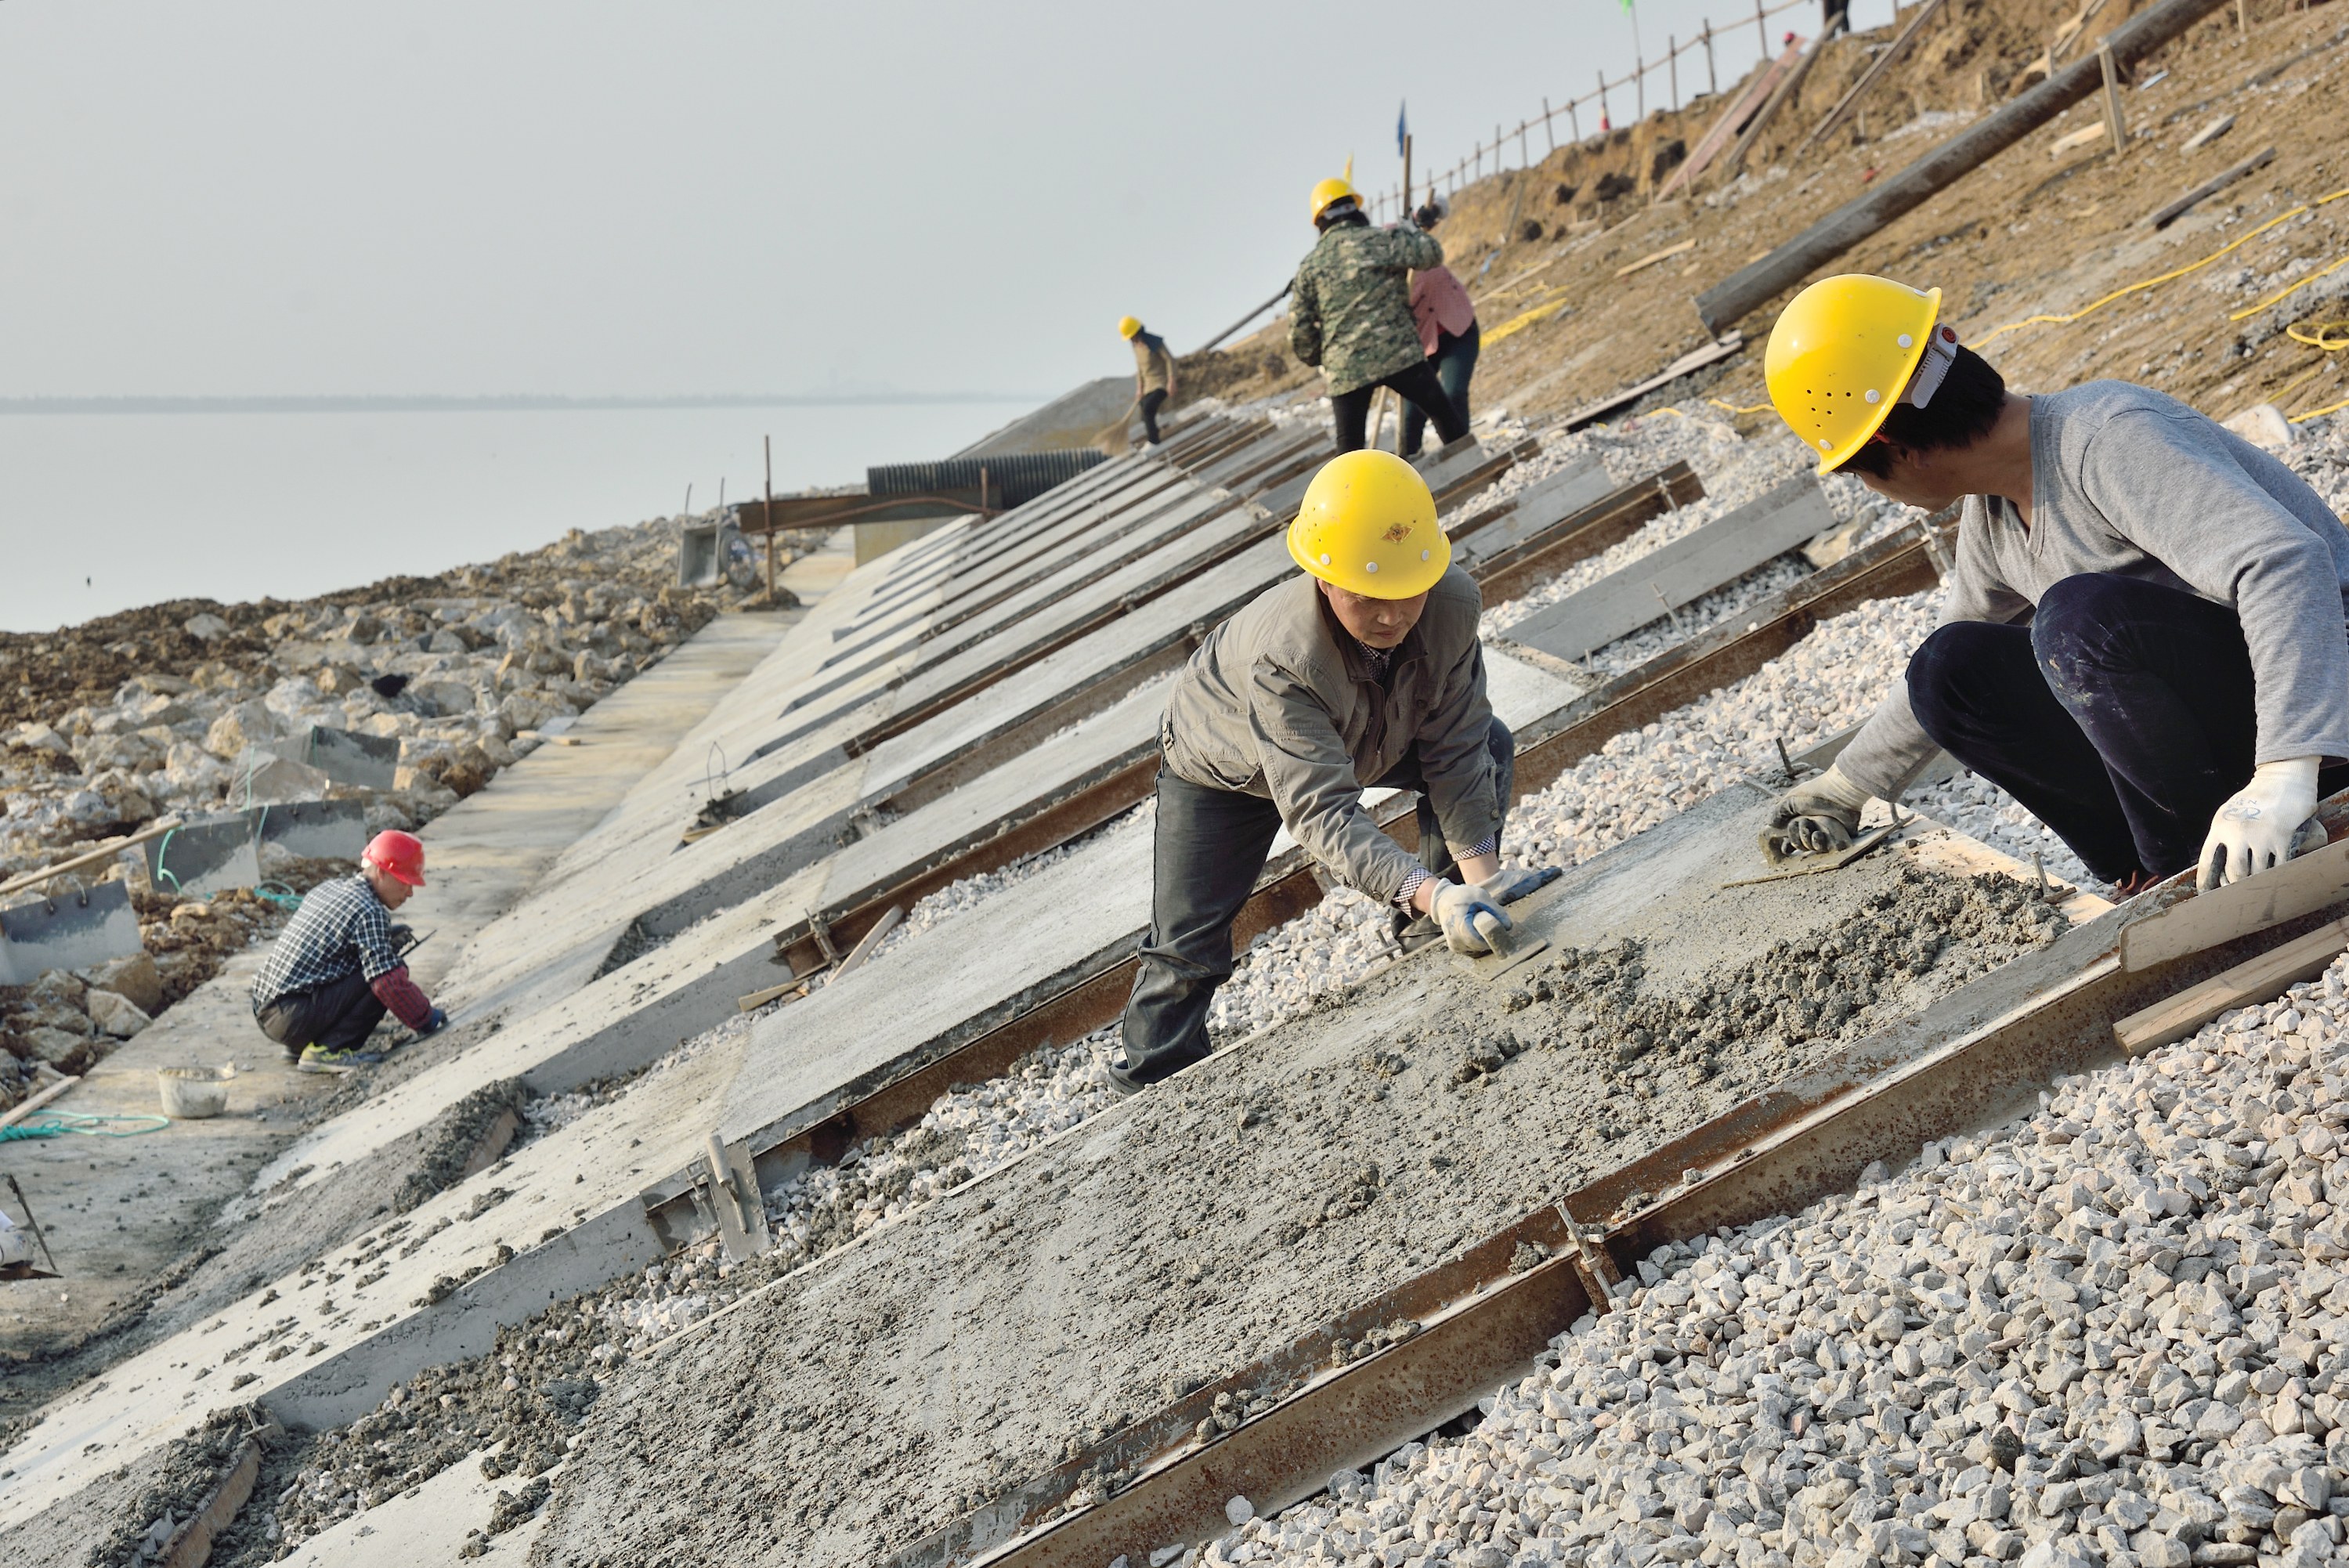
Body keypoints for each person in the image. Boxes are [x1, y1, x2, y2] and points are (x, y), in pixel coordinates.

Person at [1762, 273, 2349, 894]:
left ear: (1895, 448)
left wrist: (2283, 775)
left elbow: (2281, 563)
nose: (1870, 489)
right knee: (1948, 665)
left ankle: (2201, 857)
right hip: (2249, 736)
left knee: (2078, 620)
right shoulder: (1992, 514)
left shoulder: (2105, 438)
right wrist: (1845, 786)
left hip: (2320, 711)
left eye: (1859, 471)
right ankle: (2153, 869)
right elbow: (1948, 659)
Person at [1111, 450, 1543, 1096]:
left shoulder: (1451, 605)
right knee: (1187, 947)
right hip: (1227, 768)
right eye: (1368, 599)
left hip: (1364, 729)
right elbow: (1321, 811)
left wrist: (1482, 883)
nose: (1392, 616)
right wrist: (1423, 884)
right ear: (1322, 578)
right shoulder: (1282, 656)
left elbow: (1455, 747)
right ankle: (1149, 1085)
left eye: (1406, 593)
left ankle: (1442, 929)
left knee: (1491, 744)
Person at [1289, 177, 1472, 456]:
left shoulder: (1309, 268)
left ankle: (1354, 499)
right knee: (1444, 416)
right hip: (1398, 353)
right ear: (1356, 210)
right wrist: (1411, 232)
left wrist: (1322, 356)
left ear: (1319, 223)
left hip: (1346, 368)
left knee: (1349, 451)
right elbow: (1431, 254)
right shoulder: (1381, 240)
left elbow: (1300, 333)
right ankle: (1475, 470)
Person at [251, 829, 447, 1071]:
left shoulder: (330, 888)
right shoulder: (370, 910)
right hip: (292, 1018)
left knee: (376, 965)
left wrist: (386, 939)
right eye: (405, 883)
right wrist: (427, 1019)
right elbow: (387, 983)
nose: (410, 893)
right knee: (388, 973)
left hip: (269, 1011)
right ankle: (329, 1050)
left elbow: (329, 952)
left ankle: (301, 1045)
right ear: (382, 873)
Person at [1402, 195, 1480, 461]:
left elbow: (1437, 211)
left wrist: (1427, 214)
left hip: (1458, 328)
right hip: (1422, 345)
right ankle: (1408, 466)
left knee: (1454, 393)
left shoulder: (1403, 237)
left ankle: (1463, 457)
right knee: (1411, 415)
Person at [1119, 316, 1176, 446]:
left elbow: (1169, 360)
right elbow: (1140, 369)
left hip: (1161, 383)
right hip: (1148, 386)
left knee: (1148, 409)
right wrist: (1139, 388)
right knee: (1143, 413)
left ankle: (1154, 442)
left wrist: (1171, 381)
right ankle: (1157, 432)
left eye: (1132, 336)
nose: (1131, 339)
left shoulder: (1154, 343)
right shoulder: (1136, 348)